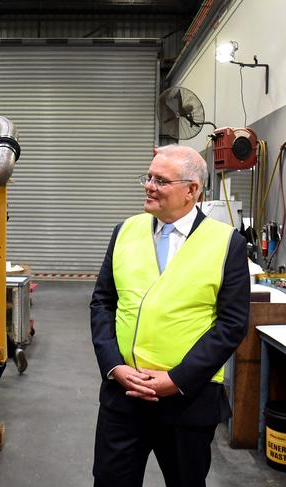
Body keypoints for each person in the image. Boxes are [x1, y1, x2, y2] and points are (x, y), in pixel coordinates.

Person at [90, 144, 250, 487]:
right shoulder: (125, 232)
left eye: (161, 181)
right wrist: (113, 365)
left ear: (191, 190)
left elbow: (232, 324)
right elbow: (102, 303)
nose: (149, 186)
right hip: (124, 395)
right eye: (148, 177)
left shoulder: (226, 243)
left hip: (187, 401)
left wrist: (176, 380)